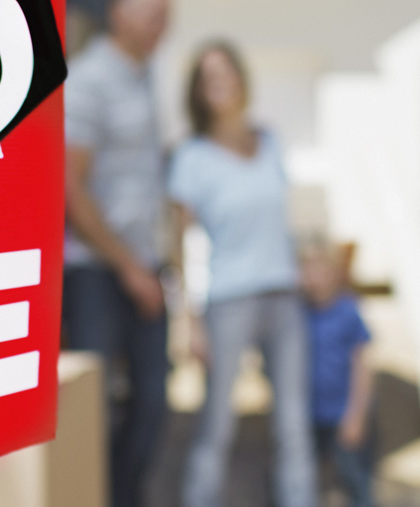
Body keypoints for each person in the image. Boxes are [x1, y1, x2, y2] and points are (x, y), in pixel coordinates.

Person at [167, 41, 317, 507]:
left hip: (284, 294)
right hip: (229, 300)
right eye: (208, 76)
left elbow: (285, 223)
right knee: (217, 425)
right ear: (197, 91)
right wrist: (187, 319)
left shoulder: (270, 141)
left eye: (226, 71)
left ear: (241, 78)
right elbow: (176, 245)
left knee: (294, 425)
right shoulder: (191, 157)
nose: (220, 82)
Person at [61, 0, 170, 505]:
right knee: (93, 407)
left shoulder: (148, 76)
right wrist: (128, 267)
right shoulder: (89, 80)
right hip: (96, 271)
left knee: (152, 402)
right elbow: (72, 189)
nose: (163, 13)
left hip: (147, 265)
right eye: (150, 5)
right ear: (117, 11)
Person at [301, 242, 375, 507]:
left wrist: (356, 415)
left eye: (320, 271)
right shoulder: (299, 314)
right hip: (310, 416)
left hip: (344, 415)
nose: (314, 279)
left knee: (355, 479)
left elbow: (363, 367)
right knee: (310, 479)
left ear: (335, 273)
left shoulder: (348, 312)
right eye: (307, 271)